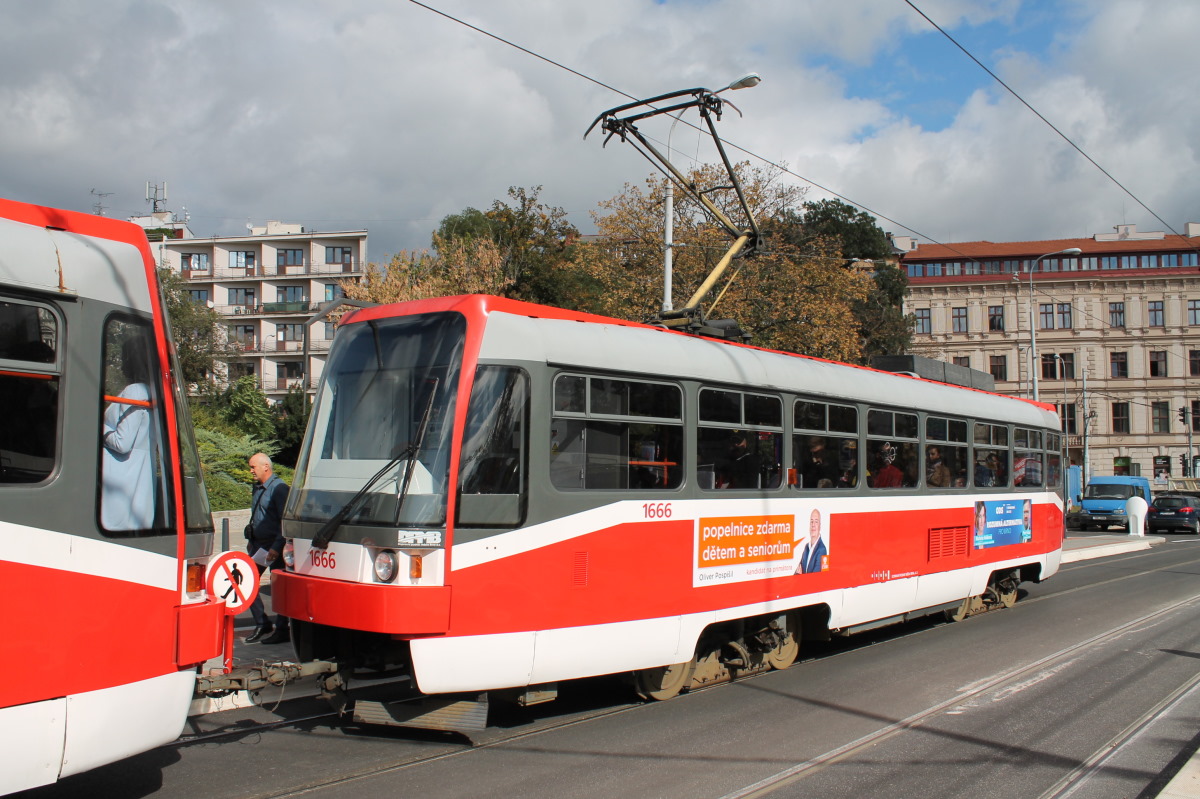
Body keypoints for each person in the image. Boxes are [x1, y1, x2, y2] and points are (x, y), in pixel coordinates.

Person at [101, 336, 155, 530]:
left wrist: (99, 426)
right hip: (136, 478)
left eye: (124, 358)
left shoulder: (134, 391)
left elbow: (122, 443)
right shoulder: (151, 391)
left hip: (121, 479)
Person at [244, 452, 291, 644]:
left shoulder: (279, 489)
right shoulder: (258, 487)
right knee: (247, 582)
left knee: (279, 589)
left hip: (273, 547)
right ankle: (262, 623)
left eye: (253, 467)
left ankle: (282, 629)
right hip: (258, 545)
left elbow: (284, 520)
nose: (251, 470)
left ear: (266, 467)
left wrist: (277, 546)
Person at [796, 509, 828, 574]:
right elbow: (797, 571)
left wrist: (800, 576)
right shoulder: (806, 547)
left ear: (820, 526)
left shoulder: (822, 549)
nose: (813, 525)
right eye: (811, 521)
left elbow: (815, 579)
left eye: (816, 522)